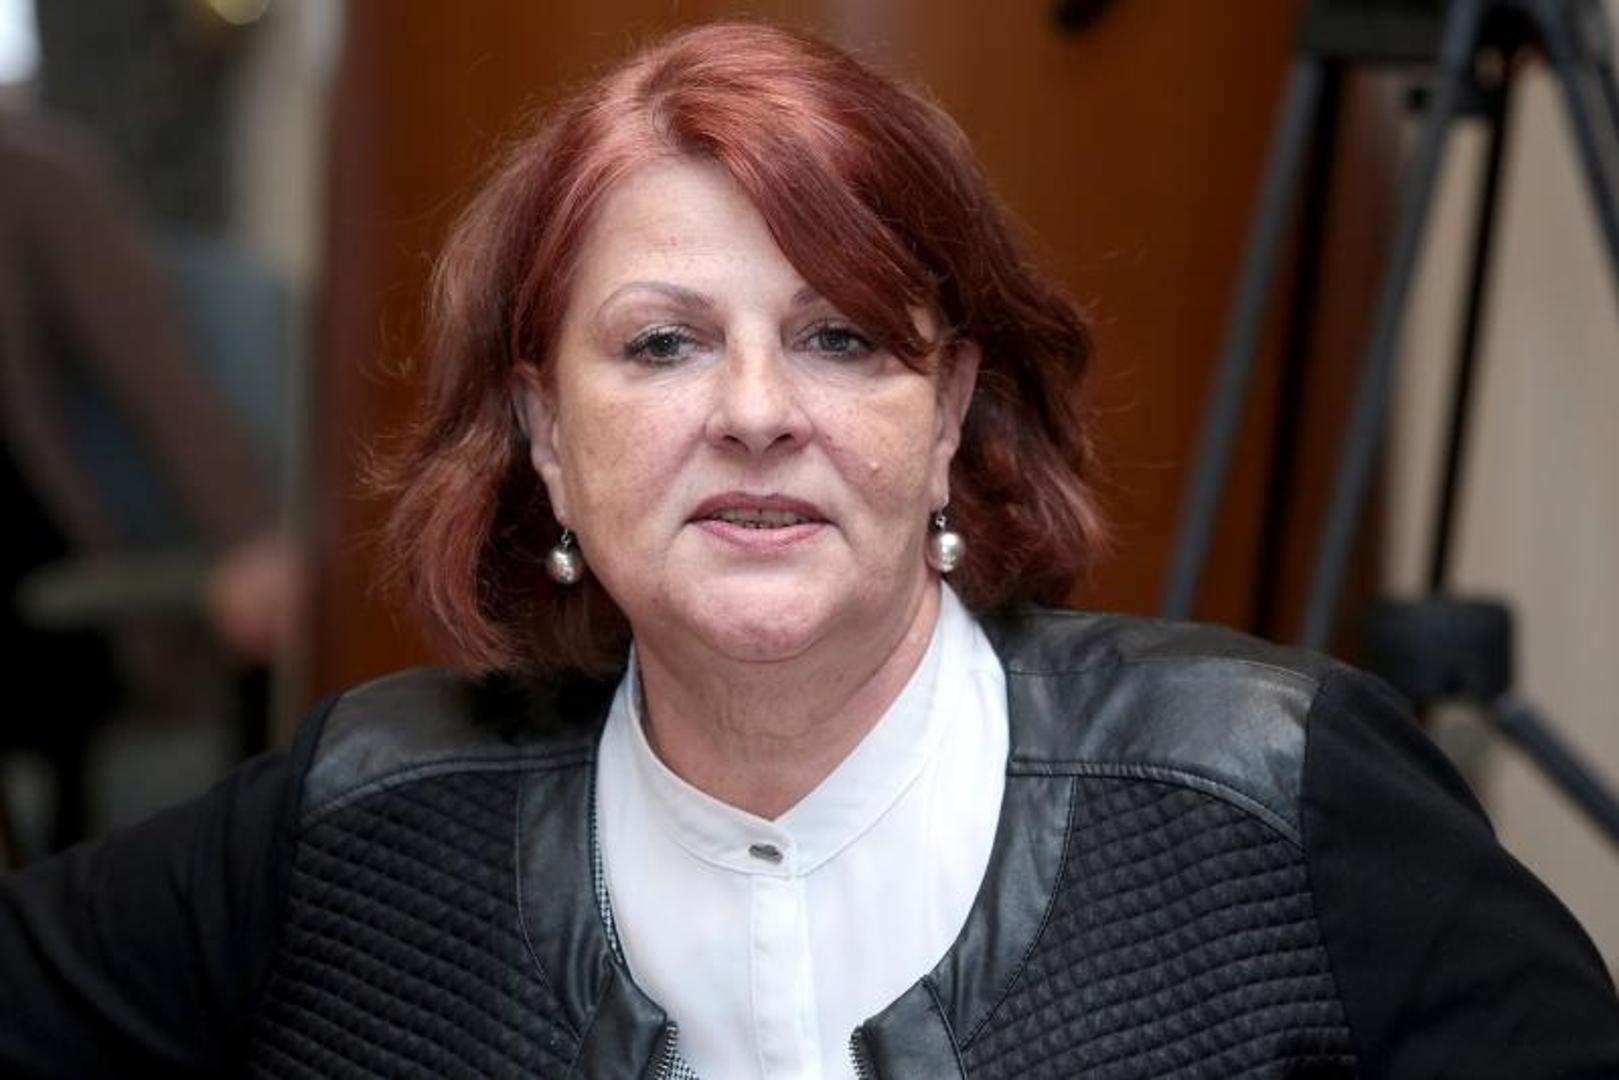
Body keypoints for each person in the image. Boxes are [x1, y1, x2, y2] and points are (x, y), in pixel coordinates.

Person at [3, 21, 1618, 1079]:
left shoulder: (1272, 792)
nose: (758, 412)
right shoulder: (361, 821)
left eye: (842, 338)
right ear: (547, 432)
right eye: (661, 345)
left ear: (950, 407)